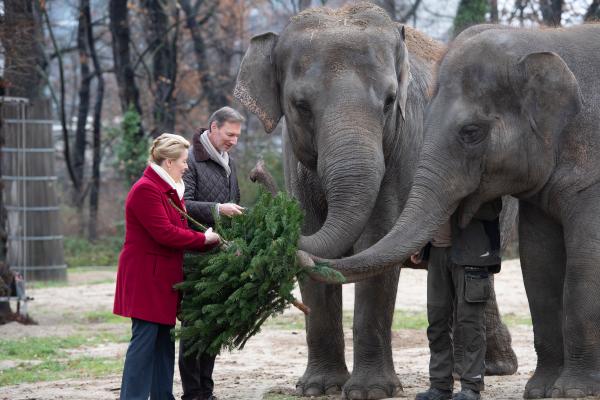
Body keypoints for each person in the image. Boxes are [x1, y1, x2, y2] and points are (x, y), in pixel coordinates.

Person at [114, 133, 221, 400]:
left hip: (163, 278)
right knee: (144, 343)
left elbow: (179, 229)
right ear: (168, 162)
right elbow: (166, 233)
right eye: (184, 161)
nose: (187, 166)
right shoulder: (146, 190)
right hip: (146, 278)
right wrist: (203, 238)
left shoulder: (170, 189)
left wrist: (207, 242)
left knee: (163, 343)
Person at [179, 107, 245, 400]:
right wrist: (218, 210)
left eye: (237, 136)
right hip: (195, 254)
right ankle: (193, 393)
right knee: (195, 325)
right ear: (213, 128)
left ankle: (206, 390)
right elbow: (182, 204)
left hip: (221, 254)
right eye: (229, 134)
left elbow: (236, 202)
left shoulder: (228, 160)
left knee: (214, 324)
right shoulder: (189, 160)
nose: (233, 141)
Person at [415, 199, 502, 400]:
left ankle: (471, 386)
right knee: (436, 321)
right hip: (437, 253)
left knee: (469, 323)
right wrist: (419, 243)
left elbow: (492, 208)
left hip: (472, 254)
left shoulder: (481, 176)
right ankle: (439, 385)